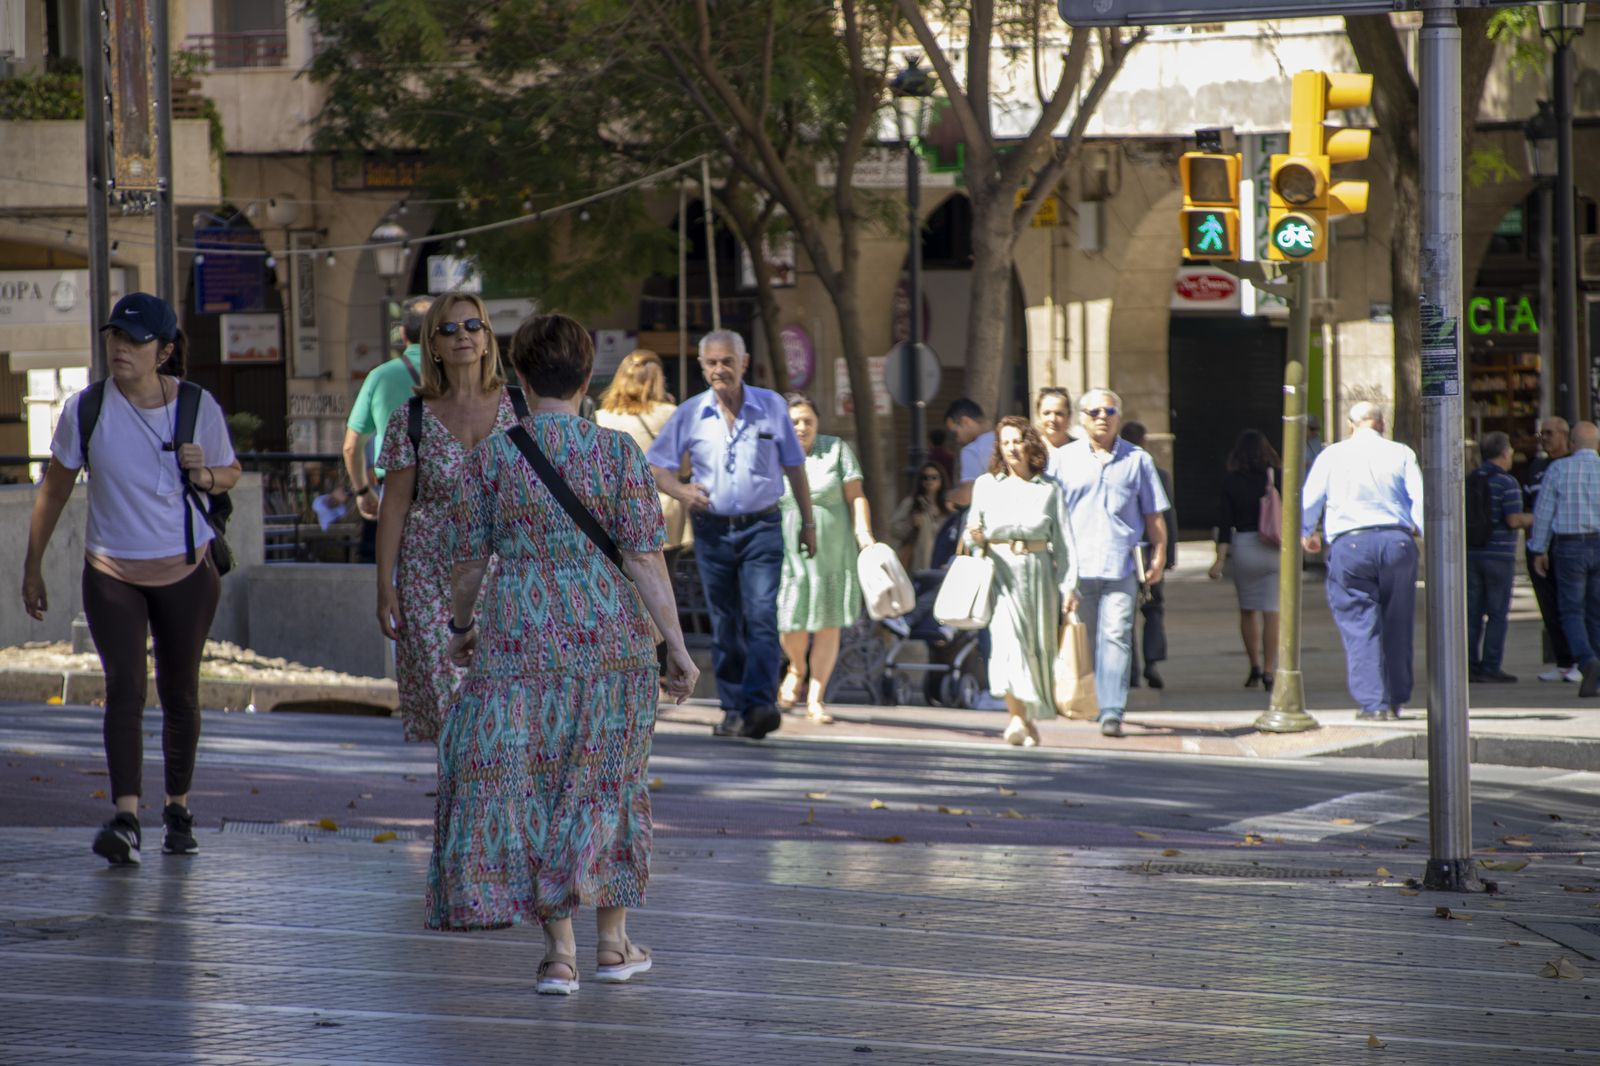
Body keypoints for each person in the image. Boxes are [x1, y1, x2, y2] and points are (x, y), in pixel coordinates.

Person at [432, 312, 698, 995]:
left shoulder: (490, 457)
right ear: (588, 379)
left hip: (518, 638)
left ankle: (560, 955)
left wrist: (462, 625)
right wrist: (675, 645)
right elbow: (645, 559)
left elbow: (467, 563)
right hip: (612, 645)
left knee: (535, 789)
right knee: (609, 785)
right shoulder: (619, 455)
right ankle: (613, 943)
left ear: (519, 377)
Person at [20, 293, 240, 865]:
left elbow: (231, 472)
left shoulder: (196, 405)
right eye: (115, 336)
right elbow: (55, 489)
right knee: (124, 687)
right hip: (111, 570)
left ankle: (177, 809)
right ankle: (125, 818)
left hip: (185, 569)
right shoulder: (87, 408)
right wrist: (33, 564)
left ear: (163, 351)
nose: (121, 348)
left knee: (180, 690)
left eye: (136, 340)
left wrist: (205, 472)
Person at [646, 329, 816, 740]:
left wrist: (808, 524)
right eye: (712, 363)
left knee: (761, 616)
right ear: (702, 367)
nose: (720, 369)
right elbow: (655, 465)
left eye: (727, 361)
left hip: (762, 526)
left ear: (744, 362)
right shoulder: (690, 412)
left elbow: (794, 466)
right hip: (713, 529)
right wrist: (682, 491)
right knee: (725, 622)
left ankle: (760, 705)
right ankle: (734, 708)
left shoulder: (771, 406)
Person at [374, 292, 522, 744]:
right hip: (429, 577)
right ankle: (462, 786)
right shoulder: (411, 417)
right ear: (433, 345)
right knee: (452, 706)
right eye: (449, 329)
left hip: (506, 576)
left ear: (487, 338)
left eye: (473, 326)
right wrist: (385, 585)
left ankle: (483, 787)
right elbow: (394, 505)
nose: (464, 336)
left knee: (503, 708)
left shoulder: (521, 408)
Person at [1049, 389, 1169, 738]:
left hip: (1121, 566)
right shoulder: (1062, 460)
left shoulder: (1138, 460)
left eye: (1109, 411)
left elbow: (1153, 514)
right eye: (1094, 412)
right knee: (1085, 639)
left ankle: (1111, 709)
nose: (1102, 417)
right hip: (1076, 569)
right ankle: (1090, 701)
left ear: (1118, 417)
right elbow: (1052, 514)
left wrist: (1160, 553)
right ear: (1082, 418)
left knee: (1116, 636)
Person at [1301, 402, 1423, 720]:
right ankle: (1396, 697)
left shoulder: (1332, 455)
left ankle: (1373, 702)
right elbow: (1419, 499)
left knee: (1359, 623)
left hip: (1351, 543)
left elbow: (1310, 499)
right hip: (1396, 541)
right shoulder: (1401, 453)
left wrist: (1306, 532)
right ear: (1381, 424)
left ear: (1351, 425)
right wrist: (1420, 531)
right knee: (1398, 621)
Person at [965, 417, 1078, 746]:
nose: (1012, 448)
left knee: (1036, 648)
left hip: (1039, 575)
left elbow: (1065, 543)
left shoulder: (1050, 489)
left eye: (1017, 441)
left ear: (1030, 444)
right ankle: (1015, 718)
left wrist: (1069, 586)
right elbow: (971, 535)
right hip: (1001, 573)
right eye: (1005, 442)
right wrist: (976, 538)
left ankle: (1026, 720)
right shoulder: (986, 485)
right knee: (1007, 643)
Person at [776, 395, 874, 723]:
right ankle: (797, 667)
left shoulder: (836, 450)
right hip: (790, 553)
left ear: (817, 423)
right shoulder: (774, 453)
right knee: (790, 620)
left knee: (828, 624)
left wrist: (864, 533)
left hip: (834, 553)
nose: (801, 427)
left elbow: (856, 495)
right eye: (794, 421)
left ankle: (816, 697)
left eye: (808, 421)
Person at [344, 295, 435, 534]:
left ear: (403, 334)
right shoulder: (456, 374)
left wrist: (363, 491)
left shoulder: (380, 377)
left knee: (399, 554)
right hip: (452, 487)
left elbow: (351, 447)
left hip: (396, 489)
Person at [1528, 421, 1600, 698]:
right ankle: (1596, 663)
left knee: (1571, 610)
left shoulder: (1559, 469)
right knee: (1595, 609)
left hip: (1569, 546)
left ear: (1572, 444)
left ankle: (1586, 660)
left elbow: (1544, 513)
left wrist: (1539, 549)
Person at [1207, 428, 1283, 692]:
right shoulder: (1277, 477)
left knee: (1247, 610)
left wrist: (1219, 559)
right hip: (1274, 548)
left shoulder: (1231, 481)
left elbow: (1225, 523)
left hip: (1245, 547)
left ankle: (1255, 666)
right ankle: (1271, 669)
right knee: (1272, 612)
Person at [596, 349, 689, 562]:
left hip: (616, 516)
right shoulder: (669, 413)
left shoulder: (600, 417)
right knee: (663, 578)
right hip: (663, 514)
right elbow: (685, 468)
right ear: (658, 381)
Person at [1467, 432, 1532, 683]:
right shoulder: (1507, 482)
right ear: (1505, 453)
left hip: (1472, 554)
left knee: (1472, 613)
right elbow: (1513, 520)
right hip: (1499, 556)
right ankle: (1491, 666)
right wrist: (1535, 517)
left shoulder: (1469, 480)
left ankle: (1469, 665)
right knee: (1497, 613)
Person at [1120, 421, 1176, 690]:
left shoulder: (1129, 471)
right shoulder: (1159, 474)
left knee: (1126, 612)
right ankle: (1151, 662)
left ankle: (1132, 669)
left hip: (1131, 550)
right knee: (1153, 608)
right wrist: (1168, 555)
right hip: (1149, 551)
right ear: (1144, 442)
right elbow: (1168, 519)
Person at [1525, 417, 1578, 682]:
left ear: (1565, 436)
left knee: (1573, 604)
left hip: (1566, 544)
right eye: (1541, 434)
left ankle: (1581, 660)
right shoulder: (1537, 467)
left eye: (1549, 433)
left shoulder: (1572, 465)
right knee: (1549, 607)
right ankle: (1563, 662)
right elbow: (1528, 505)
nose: (1544, 438)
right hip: (1538, 546)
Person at [890, 462, 955, 571]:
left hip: (944, 561)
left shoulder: (948, 505)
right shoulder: (911, 503)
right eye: (925, 478)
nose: (930, 481)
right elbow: (894, 528)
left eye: (934, 477)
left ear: (941, 480)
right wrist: (911, 524)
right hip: (919, 562)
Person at [944, 398, 994, 509]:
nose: (957, 440)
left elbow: (966, 497)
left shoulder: (972, 450)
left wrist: (946, 496)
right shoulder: (1007, 440)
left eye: (955, 433)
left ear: (965, 421)